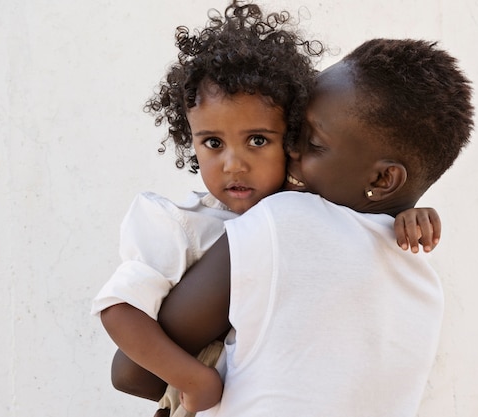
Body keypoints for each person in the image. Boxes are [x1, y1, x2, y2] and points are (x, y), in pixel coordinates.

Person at [93, 2, 440, 416]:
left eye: (258, 140)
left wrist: (410, 214)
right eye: (212, 143)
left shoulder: (292, 213)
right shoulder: (181, 225)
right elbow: (120, 319)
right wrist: (195, 378)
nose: (233, 164)